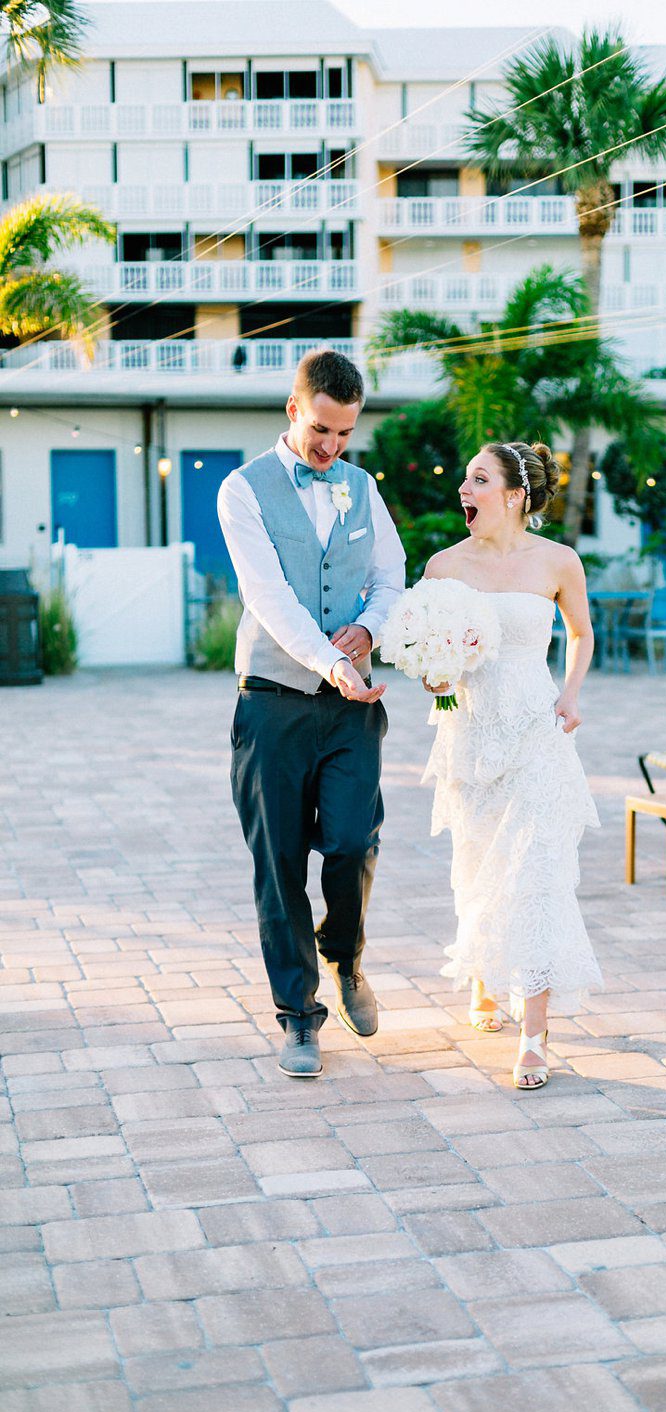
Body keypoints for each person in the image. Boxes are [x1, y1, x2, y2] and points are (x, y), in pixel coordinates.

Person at [217, 348, 405, 1078]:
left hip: (353, 708)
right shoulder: (243, 490)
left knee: (355, 841)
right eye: (322, 430)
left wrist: (370, 630)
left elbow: (390, 578)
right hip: (272, 704)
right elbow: (268, 596)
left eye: (344, 434)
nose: (332, 448)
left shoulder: (361, 487)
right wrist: (330, 661)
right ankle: (298, 1014)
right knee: (280, 865)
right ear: (295, 410)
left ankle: (346, 955)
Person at [422, 440, 602, 1089]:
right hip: (471, 735)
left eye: (479, 479)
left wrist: (572, 691)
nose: (463, 489)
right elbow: (432, 662)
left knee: (534, 873)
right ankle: (482, 973)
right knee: (478, 865)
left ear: (515, 494)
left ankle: (534, 1030)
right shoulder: (443, 566)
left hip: (536, 731)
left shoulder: (558, 560)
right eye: (464, 479)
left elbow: (581, 632)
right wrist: (435, 679)